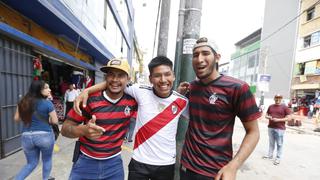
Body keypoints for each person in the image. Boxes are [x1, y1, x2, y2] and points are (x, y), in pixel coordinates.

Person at [74, 56, 188, 180]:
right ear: (150, 78)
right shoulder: (139, 91)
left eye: (167, 74)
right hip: (139, 162)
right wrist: (86, 91)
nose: (163, 79)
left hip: (166, 164)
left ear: (173, 76)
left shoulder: (182, 101)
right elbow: (114, 82)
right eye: (157, 75)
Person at [177, 37, 261, 180]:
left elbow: (253, 132)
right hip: (186, 168)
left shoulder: (238, 88)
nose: (199, 59)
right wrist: (178, 97)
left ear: (217, 57)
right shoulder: (191, 88)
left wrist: (233, 166)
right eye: (195, 55)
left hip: (216, 173)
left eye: (205, 53)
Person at [61, 58, 138, 180]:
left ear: (128, 79)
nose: (115, 79)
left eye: (121, 75)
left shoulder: (133, 101)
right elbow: (64, 129)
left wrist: (87, 89)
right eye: (111, 74)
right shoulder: (89, 99)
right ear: (106, 77)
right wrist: (83, 130)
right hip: (85, 163)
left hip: (114, 165)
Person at [14, 80, 58, 180]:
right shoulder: (47, 103)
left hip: (26, 137)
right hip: (44, 136)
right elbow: (55, 121)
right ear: (39, 90)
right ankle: (45, 178)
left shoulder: (22, 102)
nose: (49, 89)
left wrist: (28, 116)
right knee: (47, 160)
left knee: (31, 163)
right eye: (46, 88)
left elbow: (16, 119)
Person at [263, 94, 291, 165]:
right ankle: (270, 155)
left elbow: (289, 118)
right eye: (276, 98)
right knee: (271, 142)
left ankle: (278, 158)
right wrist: (268, 117)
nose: (278, 99)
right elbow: (266, 115)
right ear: (274, 98)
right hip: (271, 127)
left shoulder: (285, 107)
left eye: (279, 98)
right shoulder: (271, 106)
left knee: (279, 143)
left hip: (280, 129)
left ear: (281, 99)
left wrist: (278, 120)